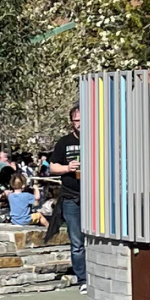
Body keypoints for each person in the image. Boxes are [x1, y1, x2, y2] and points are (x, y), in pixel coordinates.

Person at [47, 105, 86, 290]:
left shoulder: (96, 139)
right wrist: (67, 168)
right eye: (76, 120)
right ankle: (82, 279)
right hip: (71, 197)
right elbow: (52, 167)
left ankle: (95, 276)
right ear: (71, 122)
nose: (79, 124)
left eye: (82, 120)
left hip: (94, 196)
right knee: (76, 241)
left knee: (95, 239)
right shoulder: (64, 142)